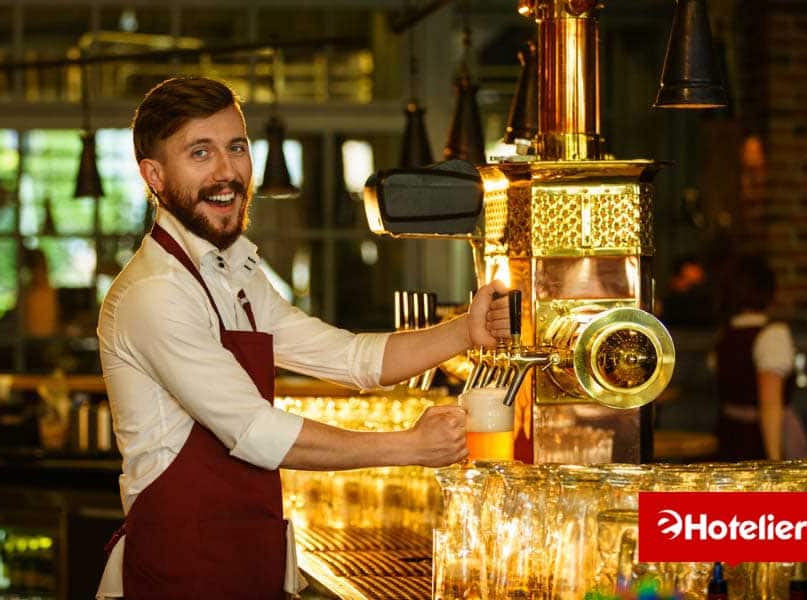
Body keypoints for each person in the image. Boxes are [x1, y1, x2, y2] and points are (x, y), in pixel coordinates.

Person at [95, 76, 512, 599]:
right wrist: (409, 445)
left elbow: (348, 357)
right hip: (181, 574)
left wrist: (464, 333)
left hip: (251, 562)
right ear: (154, 176)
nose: (227, 172)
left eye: (236, 147)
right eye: (200, 153)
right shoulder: (155, 292)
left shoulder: (235, 273)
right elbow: (254, 431)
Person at [712, 255, 807, 461]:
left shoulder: (725, 335)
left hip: (729, 436)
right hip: (758, 441)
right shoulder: (772, 334)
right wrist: (774, 460)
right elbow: (770, 403)